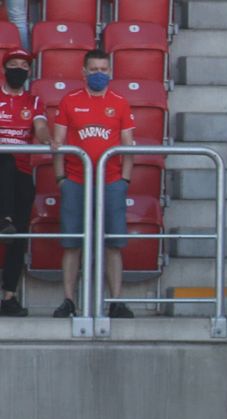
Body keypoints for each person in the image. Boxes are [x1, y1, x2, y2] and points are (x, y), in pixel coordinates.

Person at [51, 49, 136, 319]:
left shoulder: (120, 102)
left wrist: (125, 179)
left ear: (110, 72)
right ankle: (69, 301)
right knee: (72, 243)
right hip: (76, 181)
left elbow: (128, 145)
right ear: (84, 72)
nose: (99, 74)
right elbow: (58, 143)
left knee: (113, 243)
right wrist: (61, 179)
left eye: (103, 69)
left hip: (111, 181)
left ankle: (116, 302)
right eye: (94, 69)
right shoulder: (70, 100)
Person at [0, 47, 47, 317]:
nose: (18, 69)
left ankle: (9, 296)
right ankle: (4, 218)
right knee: (5, 161)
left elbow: (40, 126)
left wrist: (48, 139)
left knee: (18, 235)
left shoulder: (34, 101)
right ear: (4, 69)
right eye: (14, 64)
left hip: (21, 172)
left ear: (29, 72)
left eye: (24, 66)